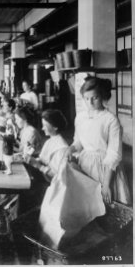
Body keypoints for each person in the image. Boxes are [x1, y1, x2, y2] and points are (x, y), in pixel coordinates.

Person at [67, 77, 131, 205]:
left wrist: (106, 185)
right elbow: (79, 142)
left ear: (102, 96)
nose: (90, 102)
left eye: (94, 97)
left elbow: (114, 154)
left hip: (105, 168)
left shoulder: (110, 120)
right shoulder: (80, 117)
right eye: (86, 98)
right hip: (85, 164)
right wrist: (71, 149)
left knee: (104, 205)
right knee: (86, 204)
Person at [23, 109, 69, 181]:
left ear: (55, 127)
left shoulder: (62, 148)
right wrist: (30, 159)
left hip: (52, 184)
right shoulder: (49, 141)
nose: (42, 128)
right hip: (43, 179)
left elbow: (58, 175)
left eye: (45, 125)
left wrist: (38, 165)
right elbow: (42, 160)